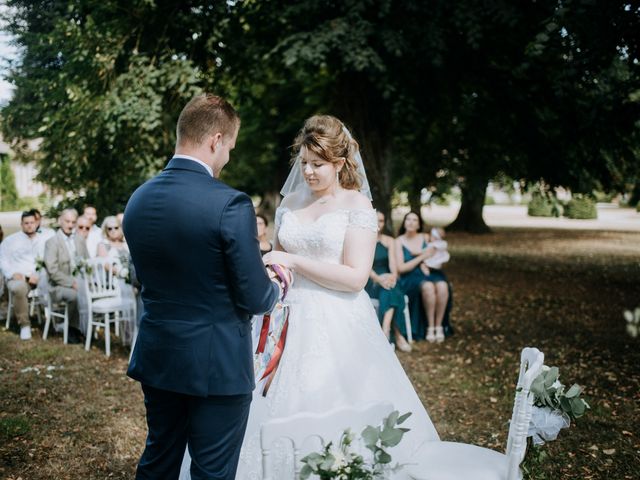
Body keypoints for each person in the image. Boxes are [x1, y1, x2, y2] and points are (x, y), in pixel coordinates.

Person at [194, 115, 440, 479]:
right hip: (282, 317)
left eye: (318, 164)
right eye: (304, 163)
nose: (308, 172)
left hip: (337, 321)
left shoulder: (357, 207)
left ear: (340, 163)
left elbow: (355, 278)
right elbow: (276, 261)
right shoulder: (289, 202)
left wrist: (293, 259)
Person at [125, 93, 283, 480]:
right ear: (216, 139)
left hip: (159, 357)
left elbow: (144, 276)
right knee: (212, 472)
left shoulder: (138, 200)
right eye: (229, 146)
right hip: (216, 367)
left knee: (158, 460)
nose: (227, 155)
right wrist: (277, 281)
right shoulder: (230, 204)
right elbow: (255, 296)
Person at [395, 212, 451, 342]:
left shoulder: (426, 237)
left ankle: (439, 326)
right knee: (428, 287)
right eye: (408, 219)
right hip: (410, 276)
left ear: (419, 224)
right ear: (404, 222)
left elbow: (439, 252)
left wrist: (429, 263)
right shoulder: (398, 241)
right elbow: (401, 268)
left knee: (443, 286)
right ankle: (430, 327)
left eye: (414, 220)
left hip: (431, 272)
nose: (410, 222)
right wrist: (422, 257)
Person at [365, 210, 412, 352]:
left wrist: (392, 275)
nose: (378, 224)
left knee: (390, 289)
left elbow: (393, 263)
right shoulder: (364, 240)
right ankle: (397, 335)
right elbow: (365, 266)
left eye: (381, 221)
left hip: (387, 277)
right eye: (376, 220)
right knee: (390, 291)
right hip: (370, 278)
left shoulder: (389, 241)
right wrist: (378, 279)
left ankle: (385, 331)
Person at [43, 208, 89, 344]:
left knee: (89, 292)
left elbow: (87, 260)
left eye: (73, 222)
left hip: (80, 280)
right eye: (67, 221)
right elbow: (52, 270)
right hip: (58, 286)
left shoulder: (79, 239)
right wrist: (71, 282)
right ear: (60, 221)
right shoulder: (52, 242)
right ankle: (71, 329)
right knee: (74, 295)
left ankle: (86, 327)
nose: (70, 225)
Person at [0, 211, 41, 340]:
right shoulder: (11, 241)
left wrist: (39, 274)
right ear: (21, 224)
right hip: (19, 278)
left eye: (32, 223)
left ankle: (58, 322)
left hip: (39, 277)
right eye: (26, 223)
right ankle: (24, 325)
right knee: (19, 288)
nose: (29, 226)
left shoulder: (43, 240)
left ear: (37, 223)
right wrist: (13, 273)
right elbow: (3, 260)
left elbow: (48, 260)